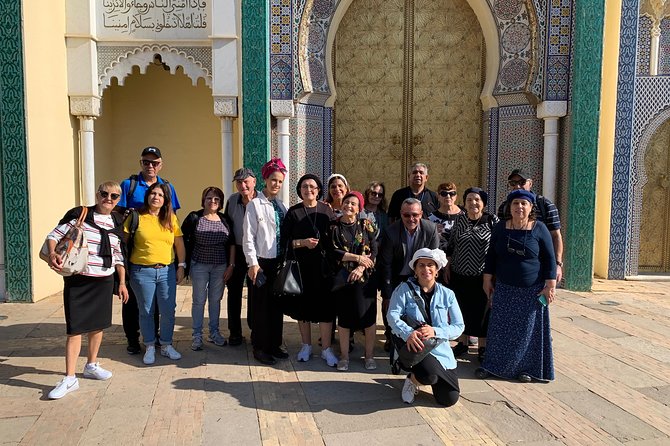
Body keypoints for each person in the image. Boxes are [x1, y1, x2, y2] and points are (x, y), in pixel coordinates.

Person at [45, 182, 129, 399]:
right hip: (79, 280)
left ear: (118, 200)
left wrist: (121, 282)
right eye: (104, 194)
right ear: (98, 194)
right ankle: (70, 378)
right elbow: (53, 235)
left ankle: (91, 365)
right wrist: (53, 253)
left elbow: (118, 254)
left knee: (97, 326)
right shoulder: (81, 215)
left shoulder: (117, 221)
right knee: (75, 329)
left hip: (103, 280)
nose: (108, 198)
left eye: (114, 196)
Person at [477, 189, 557, 382]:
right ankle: (494, 366)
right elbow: (491, 256)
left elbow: (549, 258)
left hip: (531, 290)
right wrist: (487, 279)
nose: (519, 207)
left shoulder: (539, 228)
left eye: (524, 204)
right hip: (505, 288)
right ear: (509, 207)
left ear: (530, 208)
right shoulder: (501, 228)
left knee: (527, 332)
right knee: (500, 330)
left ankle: (527, 370)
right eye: (515, 204)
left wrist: (550, 285)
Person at [118, 146, 181, 355]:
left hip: (163, 264)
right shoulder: (129, 185)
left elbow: (172, 219)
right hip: (139, 262)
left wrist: (179, 264)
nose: (151, 166)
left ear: (161, 164)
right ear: (141, 163)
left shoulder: (167, 187)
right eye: (146, 162)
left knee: (161, 306)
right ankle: (135, 340)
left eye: (155, 163)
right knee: (136, 305)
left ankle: (159, 342)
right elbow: (118, 218)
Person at [387, 248, 464, 406]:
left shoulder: (448, 294)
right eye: (421, 265)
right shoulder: (403, 290)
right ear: (415, 269)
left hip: (440, 349)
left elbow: (459, 326)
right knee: (429, 376)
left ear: (437, 270)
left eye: (430, 265)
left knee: (449, 399)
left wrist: (435, 331)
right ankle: (412, 380)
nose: (426, 269)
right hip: (415, 344)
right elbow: (392, 316)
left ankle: (422, 375)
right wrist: (408, 333)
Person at [125, 182, 186, 365]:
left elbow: (179, 243)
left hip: (167, 271)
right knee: (146, 311)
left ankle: (166, 344)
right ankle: (150, 345)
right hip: (142, 272)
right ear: (147, 196)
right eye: (153, 193)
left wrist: (181, 265)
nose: (156, 197)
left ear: (165, 199)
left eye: (160, 195)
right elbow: (123, 242)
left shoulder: (170, 218)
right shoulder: (136, 217)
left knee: (168, 310)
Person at [281, 174, 338, 366]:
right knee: (303, 308)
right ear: (299, 190)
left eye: (312, 186)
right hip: (302, 268)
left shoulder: (326, 210)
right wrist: (302, 243)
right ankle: (306, 345)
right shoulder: (293, 212)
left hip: (323, 269)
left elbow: (334, 238)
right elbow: (285, 242)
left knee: (326, 309)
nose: (308, 190)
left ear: (319, 189)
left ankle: (326, 349)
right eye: (304, 186)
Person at [242, 158, 288, 365]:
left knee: (276, 306)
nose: (276, 184)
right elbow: (248, 237)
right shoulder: (255, 205)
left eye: (279, 181)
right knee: (261, 308)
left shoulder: (281, 206)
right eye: (273, 180)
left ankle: (274, 345)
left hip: (278, 263)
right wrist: (253, 264)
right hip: (261, 263)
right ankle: (260, 347)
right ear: (265, 179)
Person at [444, 187, 498, 363]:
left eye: (477, 200)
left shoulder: (491, 221)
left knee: (482, 310)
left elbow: (497, 249)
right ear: (465, 203)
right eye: (469, 200)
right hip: (459, 273)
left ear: (483, 203)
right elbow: (452, 244)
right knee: (461, 309)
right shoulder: (460, 219)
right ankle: (462, 342)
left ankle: (483, 346)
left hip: (482, 276)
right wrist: (447, 266)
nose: (473, 203)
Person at [378, 198, 440, 350]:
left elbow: (434, 258)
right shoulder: (391, 231)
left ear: (421, 214)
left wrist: (430, 285)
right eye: (406, 215)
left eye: (415, 215)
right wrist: (387, 292)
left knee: (421, 309)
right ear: (401, 214)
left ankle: (420, 337)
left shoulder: (430, 229)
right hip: (397, 274)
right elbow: (386, 264)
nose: (411, 219)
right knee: (392, 307)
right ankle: (391, 337)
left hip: (421, 274)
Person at [328, 191, 377, 371]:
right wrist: (357, 259)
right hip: (343, 279)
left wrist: (362, 267)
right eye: (347, 202)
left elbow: (374, 249)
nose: (349, 206)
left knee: (368, 318)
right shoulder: (334, 227)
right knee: (344, 318)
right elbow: (333, 251)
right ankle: (344, 356)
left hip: (365, 280)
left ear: (359, 208)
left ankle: (369, 356)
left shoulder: (366, 224)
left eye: (353, 204)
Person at [181, 187, 232, 351]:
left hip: (220, 266)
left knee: (215, 300)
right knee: (199, 301)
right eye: (209, 198)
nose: (212, 202)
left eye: (216, 199)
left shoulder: (224, 219)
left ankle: (214, 332)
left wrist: (231, 265)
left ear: (221, 202)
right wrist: (182, 264)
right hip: (200, 265)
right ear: (203, 200)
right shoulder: (195, 217)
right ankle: (197, 335)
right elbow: (182, 239)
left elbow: (232, 243)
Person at [497, 168, 563, 282]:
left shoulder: (545, 205)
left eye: (522, 182)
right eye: (513, 183)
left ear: (530, 183)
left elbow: (556, 236)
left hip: (539, 269)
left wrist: (557, 265)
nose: (517, 186)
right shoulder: (504, 208)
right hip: (509, 270)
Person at [222, 167, 258, 346]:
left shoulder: (262, 200)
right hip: (236, 251)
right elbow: (229, 231)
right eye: (239, 182)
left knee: (255, 292)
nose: (242, 185)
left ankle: (255, 329)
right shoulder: (232, 200)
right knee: (234, 292)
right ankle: (234, 332)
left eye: (246, 181)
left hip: (257, 255)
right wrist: (231, 262)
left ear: (254, 182)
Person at [429, 182, 463, 252]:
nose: (448, 196)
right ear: (438, 197)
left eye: (452, 194)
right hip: (439, 257)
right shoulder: (430, 218)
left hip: (460, 256)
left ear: (456, 196)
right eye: (444, 194)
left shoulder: (465, 215)